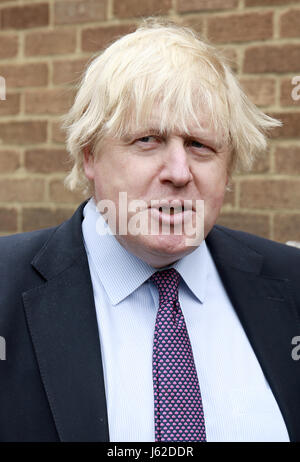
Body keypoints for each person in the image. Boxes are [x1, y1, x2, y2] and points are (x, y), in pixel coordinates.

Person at [0, 19, 299, 443]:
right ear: (89, 155)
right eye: (147, 140)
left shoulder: (291, 282)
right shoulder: (4, 287)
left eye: (200, 145)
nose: (179, 173)